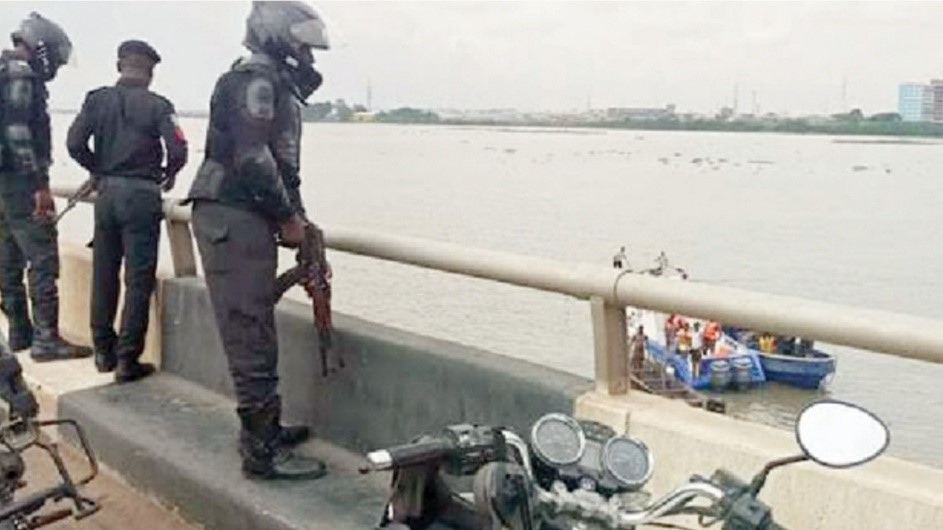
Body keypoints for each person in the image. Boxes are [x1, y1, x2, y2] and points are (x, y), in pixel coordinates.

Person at [186, 1, 330, 481]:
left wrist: (300, 220)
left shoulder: (266, 81)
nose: (308, 55)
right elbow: (252, 158)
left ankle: (265, 428)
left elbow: (281, 165)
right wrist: (289, 218)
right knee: (249, 329)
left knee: (257, 329)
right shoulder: (256, 81)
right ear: (277, 37)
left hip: (242, 214)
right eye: (303, 44)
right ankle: (261, 452)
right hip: (233, 214)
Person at [66, 40, 188, 381]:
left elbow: (74, 143)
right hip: (142, 196)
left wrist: (98, 169)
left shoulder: (96, 100)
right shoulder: (159, 105)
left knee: (104, 272)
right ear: (150, 73)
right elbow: (178, 148)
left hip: (106, 197)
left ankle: (103, 351)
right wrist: (168, 173)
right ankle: (127, 359)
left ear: (120, 66)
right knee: (138, 279)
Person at [0, 13, 91, 362]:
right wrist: (39, 184)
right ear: (41, 48)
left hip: (3, 183)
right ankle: (46, 339)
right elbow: (18, 133)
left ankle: (20, 331)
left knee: (8, 257)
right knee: (41, 257)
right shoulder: (21, 75)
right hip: (19, 182)